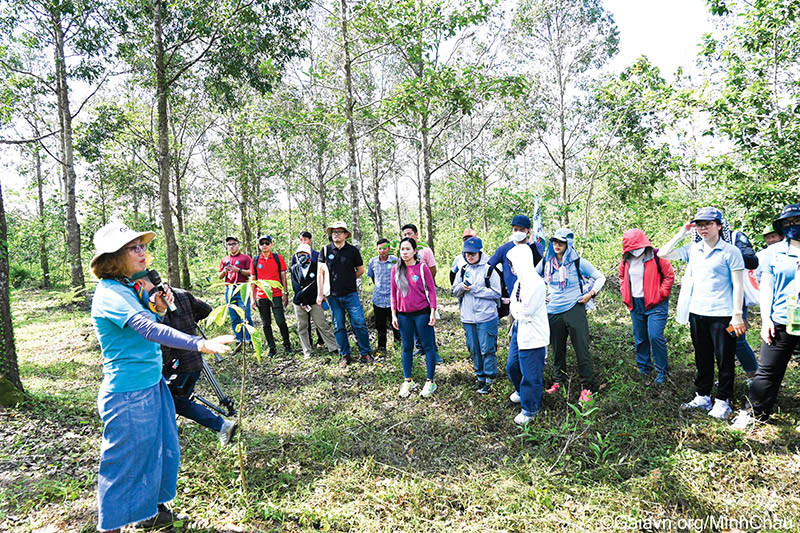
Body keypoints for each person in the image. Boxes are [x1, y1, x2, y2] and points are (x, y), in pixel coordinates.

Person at [90, 222, 233, 533]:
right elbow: (149, 329)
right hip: (127, 393)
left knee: (161, 449)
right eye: (134, 248)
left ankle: (151, 513)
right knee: (125, 461)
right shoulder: (109, 293)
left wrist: (158, 304)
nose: (143, 252)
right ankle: (110, 527)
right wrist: (199, 343)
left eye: (143, 246)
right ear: (114, 257)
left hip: (152, 384)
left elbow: (154, 317)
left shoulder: (129, 287)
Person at [660, 206, 746, 419]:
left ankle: (723, 400)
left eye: (708, 224)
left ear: (718, 226)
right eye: (699, 225)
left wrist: (737, 314)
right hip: (697, 312)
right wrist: (681, 233)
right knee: (702, 356)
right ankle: (703, 394)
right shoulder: (693, 249)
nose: (703, 228)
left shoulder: (730, 252)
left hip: (723, 314)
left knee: (724, 358)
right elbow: (662, 253)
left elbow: (738, 285)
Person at [732, 204, 800, 429]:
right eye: (787, 223)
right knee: (768, 371)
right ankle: (753, 413)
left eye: (797, 221)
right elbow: (767, 285)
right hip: (781, 318)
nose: (793, 226)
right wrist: (766, 320)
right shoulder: (774, 251)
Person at [161, 288, 238, 445]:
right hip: (195, 358)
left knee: (176, 402)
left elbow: (164, 342)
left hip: (178, 364)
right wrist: (189, 319)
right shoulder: (181, 293)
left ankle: (221, 425)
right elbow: (205, 309)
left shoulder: (157, 303)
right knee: (177, 399)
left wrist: (163, 366)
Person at [536, 228, 605, 394]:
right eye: (554, 241)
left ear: (568, 244)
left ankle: (587, 387)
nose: (556, 245)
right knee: (557, 350)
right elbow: (533, 277)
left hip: (574, 308)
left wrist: (590, 294)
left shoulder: (577, 262)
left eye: (561, 242)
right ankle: (559, 381)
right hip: (552, 311)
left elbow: (600, 277)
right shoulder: (546, 261)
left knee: (582, 349)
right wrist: (541, 295)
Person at [618, 229, 675, 384]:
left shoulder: (657, 256)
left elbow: (669, 275)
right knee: (640, 338)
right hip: (635, 303)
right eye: (632, 249)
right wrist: (625, 294)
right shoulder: (626, 259)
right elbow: (622, 277)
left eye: (638, 247)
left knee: (655, 336)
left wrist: (661, 293)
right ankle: (644, 369)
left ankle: (662, 373)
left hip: (656, 303)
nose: (636, 251)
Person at [317, 221, 374, 367]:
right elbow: (320, 273)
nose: (336, 234)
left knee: (359, 323)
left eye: (339, 231)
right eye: (334, 232)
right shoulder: (325, 250)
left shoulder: (352, 251)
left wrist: (349, 278)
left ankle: (365, 352)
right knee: (339, 325)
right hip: (333, 296)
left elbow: (360, 270)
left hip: (350, 294)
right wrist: (320, 294)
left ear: (345, 235)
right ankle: (345, 355)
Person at [506, 244, 550, 425]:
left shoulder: (537, 284)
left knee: (531, 374)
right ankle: (520, 391)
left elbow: (525, 311)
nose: (512, 268)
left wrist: (515, 308)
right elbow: (514, 306)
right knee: (512, 366)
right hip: (519, 330)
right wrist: (515, 308)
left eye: (513, 264)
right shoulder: (519, 282)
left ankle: (530, 409)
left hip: (533, 334)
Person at [452, 237, 501, 394]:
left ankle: (490, 378)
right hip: (468, 317)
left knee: (487, 348)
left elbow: (497, 293)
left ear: (480, 253)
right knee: (473, 348)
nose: (470, 256)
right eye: (467, 254)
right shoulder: (463, 270)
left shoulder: (489, 270)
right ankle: (479, 377)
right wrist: (461, 287)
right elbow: (453, 291)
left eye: (473, 253)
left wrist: (475, 289)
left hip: (486, 317)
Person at [391, 237, 439, 398]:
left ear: (414, 251)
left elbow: (431, 290)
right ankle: (408, 380)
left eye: (407, 249)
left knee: (428, 346)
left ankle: (430, 381)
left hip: (422, 313)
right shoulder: (396, 270)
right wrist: (394, 315)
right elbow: (393, 294)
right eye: (402, 249)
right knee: (407, 347)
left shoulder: (422, 268)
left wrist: (432, 311)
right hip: (403, 315)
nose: (404, 252)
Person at [401, 223, 442, 363]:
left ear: (416, 234)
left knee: (426, 323)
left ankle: (432, 350)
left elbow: (432, 269)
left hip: (422, 292)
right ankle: (420, 347)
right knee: (412, 322)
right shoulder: (403, 251)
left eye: (409, 233)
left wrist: (425, 283)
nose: (407, 236)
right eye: (405, 234)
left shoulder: (425, 251)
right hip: (408, 295)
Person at [289, 243, 338, 358]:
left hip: (315, 301)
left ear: (309, 255)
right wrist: (301, 301)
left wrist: (319, 296)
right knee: (302, 327)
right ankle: (307, 351)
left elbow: (318, 284)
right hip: (299, 302)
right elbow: (295, 286)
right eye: (299, 254)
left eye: (304, 254)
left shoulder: (317, 266)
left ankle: (334, 347)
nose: (302, 256)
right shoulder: (294, 269)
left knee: (322, 324)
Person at [250, 235, 293, 357]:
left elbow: (283, 277)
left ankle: (287, 345)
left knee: (280, 321)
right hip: (261, 296)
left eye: (267, 243)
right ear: (259, 246)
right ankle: (272, 348)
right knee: (266, 323)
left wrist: (285, 293)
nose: (264, 245)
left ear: (271, 245)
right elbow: (253, 281)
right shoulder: (256, 260)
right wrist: (253, 298)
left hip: (276, 294)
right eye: (262, 243)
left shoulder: (277, 258)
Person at [488, 215, 544, 295]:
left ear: (528, 230)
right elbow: (489, 266)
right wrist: (502, 280)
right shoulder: (504, 249)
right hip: (510, 294)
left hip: (530, 293)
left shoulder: (536, 247)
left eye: (521, 230)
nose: (518, 232)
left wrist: (531, 243)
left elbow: (539, 266)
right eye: (516, 229)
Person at [218, 236, 252, 351]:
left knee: (245, 314)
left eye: (234, 244)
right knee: (234, 316)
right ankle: (239, 340)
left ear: (238, 245)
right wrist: (224, 271)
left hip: (242, 287)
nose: (231, 246)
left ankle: (250, 339)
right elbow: (219, 276)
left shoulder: (245, 258)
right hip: (229, 289)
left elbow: (251, 273)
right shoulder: (225, 259)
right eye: (229, 244)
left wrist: (239, 270)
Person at [367, 238, 401, 353]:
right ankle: (382, 348)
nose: (382, 251)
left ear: (389, 248)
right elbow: (372, 277)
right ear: (377, 249)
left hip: (393, 299)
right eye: (380, 248)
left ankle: (399, 346)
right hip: (378, 299)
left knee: (396, 325)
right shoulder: (373, 262)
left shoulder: (395, 261)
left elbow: (400, 277)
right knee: (380, 326)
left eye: (384, 248)